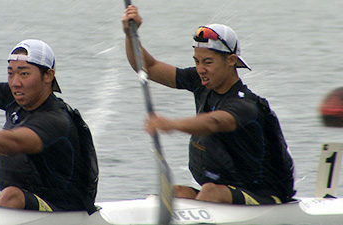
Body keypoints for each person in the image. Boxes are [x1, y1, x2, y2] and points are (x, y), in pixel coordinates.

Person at [122, 5, 295, 205]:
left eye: (208, 62)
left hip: (266, 194)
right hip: (222, 188)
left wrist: (171, 124)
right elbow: (148, 67)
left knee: (210, 193)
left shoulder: (246, 104)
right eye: (196, 62)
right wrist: (130, 35)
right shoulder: (200, 83)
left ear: (231, 60)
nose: (201, 69)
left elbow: (214, 122)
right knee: (173, 193)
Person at [0, 13, 98, 213]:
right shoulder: (14, 96)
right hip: (25, 199)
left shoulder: (56, 119)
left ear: (48, 76)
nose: (15, 82)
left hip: (63, 208)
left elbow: (13, 143)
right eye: (11, 73)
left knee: (11, 196)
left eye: (24, 73)